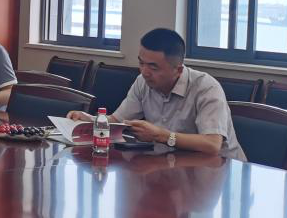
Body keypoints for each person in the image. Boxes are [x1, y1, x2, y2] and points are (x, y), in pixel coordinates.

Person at [67, 28, 245, 160]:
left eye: (153, 67)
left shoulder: (206, 88)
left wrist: (161, 136)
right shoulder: (142, 82)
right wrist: (91, 119)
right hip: (174, 165)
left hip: (220, 171)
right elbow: (117, 121)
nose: (144, 72)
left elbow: (212, 145)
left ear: (178, 70)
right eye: (141, 63)